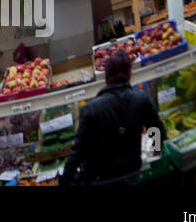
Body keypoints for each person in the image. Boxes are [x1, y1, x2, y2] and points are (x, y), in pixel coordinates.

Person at [61, 50, 165, 186]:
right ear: (129, 74)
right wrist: (156, 149)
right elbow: (157, 129)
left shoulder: (90, 109)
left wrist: (65, 180)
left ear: (106, 77)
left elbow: (78, 151)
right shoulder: (141, 100)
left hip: (101, 178)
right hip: (131, 173)